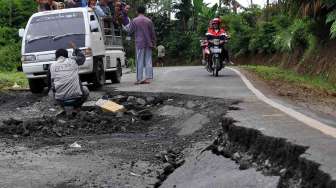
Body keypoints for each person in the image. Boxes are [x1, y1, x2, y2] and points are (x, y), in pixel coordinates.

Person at [48, 42, 89, 114]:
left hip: (61, 100)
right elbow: (82, 57)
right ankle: (76, 109)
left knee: (50, 93)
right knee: (85, 90)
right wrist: (75, 48)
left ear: (56, 57)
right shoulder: (73, 61)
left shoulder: (51, 66)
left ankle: (63, 108)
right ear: (67, 56)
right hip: (77, 98)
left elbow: (50, 83)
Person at [123, 5, 156, 85]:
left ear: (137, 12)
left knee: (139, 60)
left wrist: (124, 27)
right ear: (144, 12)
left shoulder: (134, 20)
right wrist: (154, 43)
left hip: (139, 43)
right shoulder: (149, 21)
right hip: (148, 43)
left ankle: (139, 79)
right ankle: (148, 78)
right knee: (148, 60)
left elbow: (130, 31)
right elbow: (153, 33)